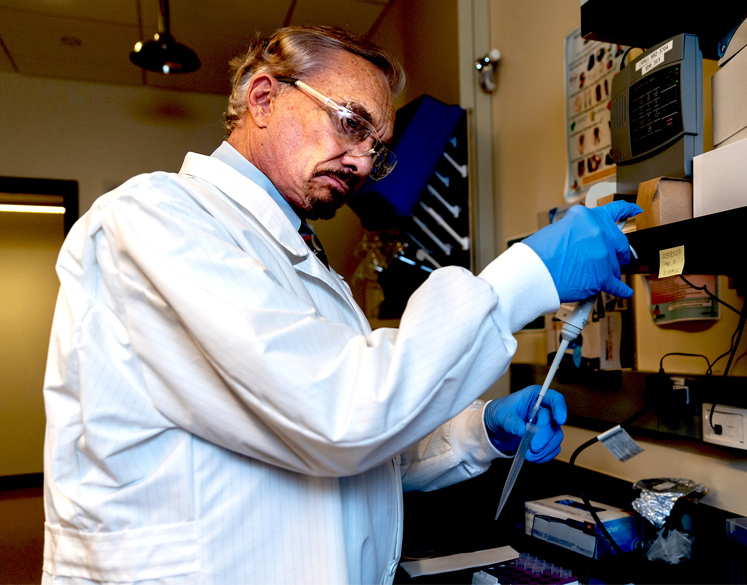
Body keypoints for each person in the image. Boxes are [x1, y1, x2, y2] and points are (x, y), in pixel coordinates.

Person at [41, 25, 641, 585]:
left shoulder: (299, 261)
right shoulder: (155, 220)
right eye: (352, 124)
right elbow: (341, 414)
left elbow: (360, 452)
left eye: (377, 150)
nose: (361, 164)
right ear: (263, 98)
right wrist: (527, 275)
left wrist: (478, 433)